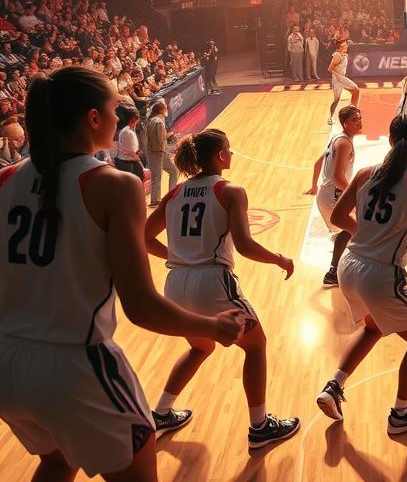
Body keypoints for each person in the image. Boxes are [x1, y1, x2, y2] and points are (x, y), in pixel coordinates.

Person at [0, 67, 244, 481]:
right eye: (116, 109)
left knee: (57, 462)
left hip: (7, 363)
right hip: (75, 363)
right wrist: (213, 325)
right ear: (93, 118)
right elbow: (142, 307)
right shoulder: (114, 185)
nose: (121, 117)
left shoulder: (5, 178)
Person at [144, 129, 300, 450]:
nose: (232, 153)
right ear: (220, 155)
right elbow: (244, 245)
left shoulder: (175, 193)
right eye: (229, 148)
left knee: (200, 347)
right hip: (212, 283)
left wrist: (178, 256)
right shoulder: (230, 191)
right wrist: (279, 259)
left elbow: (144, 237)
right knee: (255, 345)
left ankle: (161, 413)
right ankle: (260, 426)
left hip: (176, 285)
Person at [316, 114, 407, 434]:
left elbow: (337, 216)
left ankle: (334, 386)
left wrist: (368, 231)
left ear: (389, 139)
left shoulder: (365, 173)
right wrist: (404, 222)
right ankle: (401, 414)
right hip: (382, 274)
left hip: (349, 265)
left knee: (373, 327)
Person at [305, 106, 362, 287]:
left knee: (350, 229)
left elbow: (317, 163)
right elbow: (338, 177)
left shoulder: (337, 138)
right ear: (345, 124)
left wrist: (314, 186)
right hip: (333, 196)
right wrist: (356, 195)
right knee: (358, 229)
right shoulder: (345, 143)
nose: (359, 122)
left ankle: (340, 255)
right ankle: (333, 272)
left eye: (360, 118)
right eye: (354, 120)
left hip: (326, 194)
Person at [146, 99, 179, 206]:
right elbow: (160, 140)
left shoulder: (151, 120)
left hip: (153, 152)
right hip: (159, 153)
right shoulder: (159, 122)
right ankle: (156, 200)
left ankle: (170, 195)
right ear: (161, 110)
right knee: (158, 176)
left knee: (173, 171)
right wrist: (169, 146)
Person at [327, 40, 361, 126]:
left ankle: (353, 111)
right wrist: (340, 77)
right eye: (345, 45)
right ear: (340, 47)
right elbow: (330, 69)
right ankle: (330, 118)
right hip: (337, 79)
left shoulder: (345, 55)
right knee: (337, 100)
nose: (347, 46)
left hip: (341, 78)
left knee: (356, 91)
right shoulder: (337, 55)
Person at [115, 103, 144, 180]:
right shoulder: (128, 132)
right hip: (128, 163)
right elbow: (130, 151)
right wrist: (138, 158)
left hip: (125, 161)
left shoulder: (125, 130)